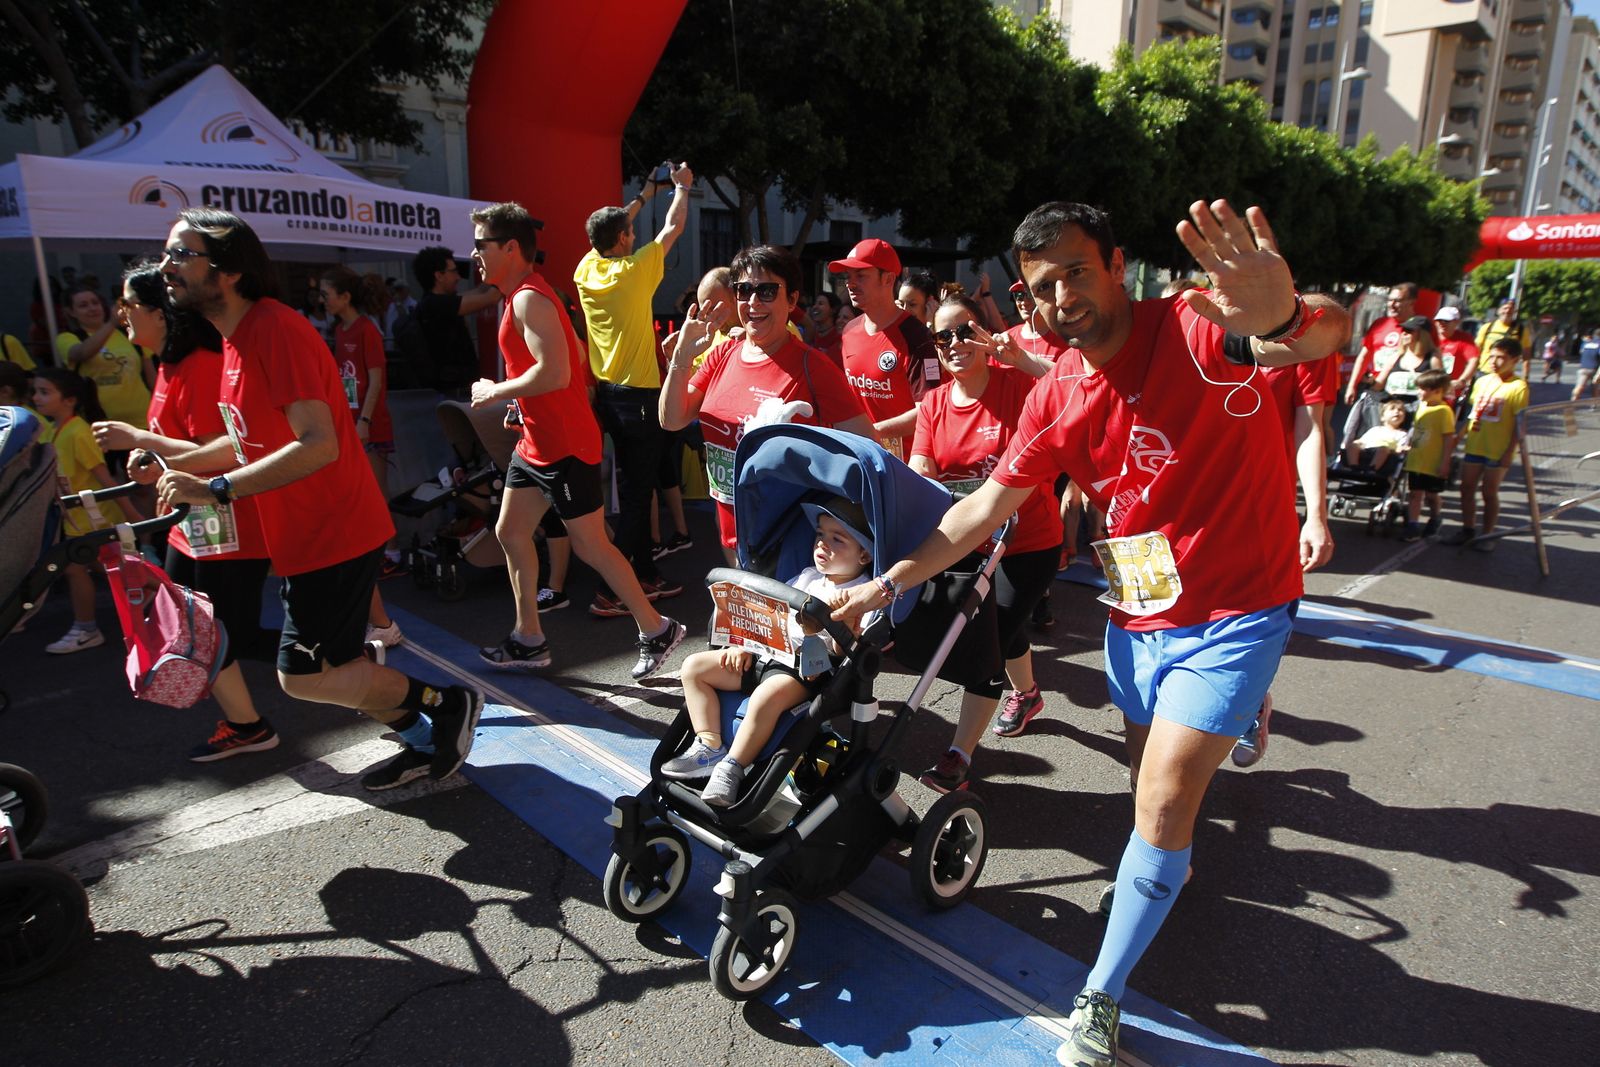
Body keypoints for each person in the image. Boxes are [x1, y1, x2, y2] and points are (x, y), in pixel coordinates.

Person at [833, 199, 1348, 1067]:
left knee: (1163, 796)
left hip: (1240, 609)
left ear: (1115, 264)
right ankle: (1232, 719)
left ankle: (1100, 995)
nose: (1062, 293)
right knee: (1143, 769)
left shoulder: (1193, 321)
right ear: (1029, 305)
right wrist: (888, 580)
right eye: (1043, 284)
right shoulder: (1057, 393)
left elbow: (1306, 335)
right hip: (1136, 611)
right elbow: (980, 511)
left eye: (1077, 269)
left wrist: (1290, 316)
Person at [145, 208, 483, 793]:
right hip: (302, 536)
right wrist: (174, 459)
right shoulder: (234, 340)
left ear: (227, 270)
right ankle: (426, 736)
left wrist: (217, 487)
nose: (165, 267)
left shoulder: (274, 330)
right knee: (328, 670)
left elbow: (319, 444)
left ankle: (446, 702)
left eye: (181, 254)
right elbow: (248, 436)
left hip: (335, 530)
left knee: (304, 676)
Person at [468, 201, 687, 679]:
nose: (474, 255)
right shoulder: (518, 297)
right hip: (535, 443)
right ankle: (529, 638)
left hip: (565, 445)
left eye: (481, 245)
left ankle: (657, 629)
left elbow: (557, 371)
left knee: (592, 547)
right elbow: (559, 364)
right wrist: (517, 406)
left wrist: (495, 390)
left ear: (509, 248)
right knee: (510, 532)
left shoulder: (529, 298)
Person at [94, 262, 278, 760]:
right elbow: (181, 446)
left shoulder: (198, 363)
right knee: (204, 630)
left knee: (219, 633)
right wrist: (152, 460)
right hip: (191, 526)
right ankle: (252, 722)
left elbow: (224, 449)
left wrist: (140, 440)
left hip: (225, 525)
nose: (120, 313)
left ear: (158, 312)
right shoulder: (170, 364)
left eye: (128, 303)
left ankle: (342, 663)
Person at [909, 296, 1063, 791]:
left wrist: (1019, 357)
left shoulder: (1018, 386)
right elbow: (922, 468)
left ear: (983, 332)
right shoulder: (933, 403)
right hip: (971, 545)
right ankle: (1030, 694)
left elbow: (1076, 383)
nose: (953, 344)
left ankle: (959, 756)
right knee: (1004, 627)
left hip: (1029, 542)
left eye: (963, 331)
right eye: (942, 337)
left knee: (986, 642)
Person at [660, 244, 873, 567]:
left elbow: (867, 449)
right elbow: (671, 419)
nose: (754, 302)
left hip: (789, 540)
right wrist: (681, 358)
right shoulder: (723, 355)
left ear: (791, 300)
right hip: (730, 535)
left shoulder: (812, 366)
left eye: (767, 291)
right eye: (744, 290)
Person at [667, 499, 874, 807]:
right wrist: (743, 642)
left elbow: (842, 653)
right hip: (764, 652)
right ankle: (709, 745)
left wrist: (844, 630)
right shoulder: (806, 577)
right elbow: (764, 613)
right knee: (694, 667)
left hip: (802, 671)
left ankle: (732, 767)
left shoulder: (861, 595)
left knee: (765, 697)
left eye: (837, 539)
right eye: (820, 534)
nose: (822, 544)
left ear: (864, 554)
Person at [573, 162, 695, 613]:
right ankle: (611, 590)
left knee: (635, 490)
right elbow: (674, 226)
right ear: (624, 239)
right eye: (628, 230)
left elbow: (612, 226)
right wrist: (681, 188)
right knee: (639, 494)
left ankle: (644, 574)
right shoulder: (635, 271)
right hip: (639, 400)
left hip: (609, 397)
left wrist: (643, 195)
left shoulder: (587, 269)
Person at [320, 267, 406, 640]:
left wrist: (366, 418)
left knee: (375, 490)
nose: (323, 299)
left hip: (369, 425)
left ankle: (393, 553)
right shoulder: (339, 331)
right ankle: (378, 553)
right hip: (349, 424)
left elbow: (375, 378)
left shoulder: (367, 330)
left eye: (327, 293)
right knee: (357, 493)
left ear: (345, 296)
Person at [32, 367, 135, 654]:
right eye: (36, 391)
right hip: (77, 522)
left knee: (81, 569)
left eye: (45, 392)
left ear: (70, 400)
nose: (37, 398)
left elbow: (106, 479)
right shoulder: (54, 430)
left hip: (94, 520)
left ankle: (87, 628)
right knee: (97, 569)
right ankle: (154, 598)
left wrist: (134, 516)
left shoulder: (78, 432)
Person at [832, 238, 939, 460]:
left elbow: (928, 411)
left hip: (908, 467)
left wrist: (872, 433)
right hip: (860, 458)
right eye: (848, 276)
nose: (850, 284)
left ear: (888, 279)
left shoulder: (917, 337)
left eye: (860, 276)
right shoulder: (849, 330)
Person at [1441, 338, 1529, 552]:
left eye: (1501, 358)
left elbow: (1520, 424)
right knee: (1466, 487)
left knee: (1489, 492)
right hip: (1475, 445)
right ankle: (1468, 529)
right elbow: (1473, 416)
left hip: (1497, 450)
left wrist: (1509, 452)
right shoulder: (1482, 382)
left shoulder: (1519, 387)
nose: (1494, 361)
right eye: (1492, 356)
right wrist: (1457, 439)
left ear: (1515, 360)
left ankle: (1488, 534)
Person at [56, 286, 155, 431]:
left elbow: (152, 377)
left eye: (95, 303)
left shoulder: (129, 334)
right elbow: (81, 353)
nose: (92, 308)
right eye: (83, 306)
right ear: (71, 312)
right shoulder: (68, 338)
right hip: (101, 425)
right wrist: (111, 323)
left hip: (142, 422)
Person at [412, 246, 502, 394]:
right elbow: (491, 297)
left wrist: (495, 267)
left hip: (455, 388)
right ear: (438, 276)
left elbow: (480, 291)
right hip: (454, 390)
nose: (458, 277)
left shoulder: (437, 302)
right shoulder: (436, 305)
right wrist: (509, 270)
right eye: (453, 271)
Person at [1400, 369, 1457, 543]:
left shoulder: (1444, 411)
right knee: (1415, 494)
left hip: (1433, 462)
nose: (1419, 392)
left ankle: (1436, 517)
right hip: (1416, 460)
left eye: (1423, 389)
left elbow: (1448, 438)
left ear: (1437, 390)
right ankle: (1413, 525)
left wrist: (1445, 462)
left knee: (1431, 495)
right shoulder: (1421, 407)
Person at [1343, 283, 1415, 405]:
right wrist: (1352, 385)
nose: (1391, 305)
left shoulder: (1419, 327)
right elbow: (1364, 356)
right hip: (1377, 389)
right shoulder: (1379, 324)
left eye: (1397, 301)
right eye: (1390, 300)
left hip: (1405, 393)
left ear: (1411, 302)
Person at [1371, 315, 1439, 399]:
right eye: (1403, 330)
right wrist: (1370, 381)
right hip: (1396, 409)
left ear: (1423, 335)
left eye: (1409, 330)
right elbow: (1379, 385)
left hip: (1420, 410)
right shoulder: (1395, 357)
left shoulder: (1433, 358)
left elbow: (1439, 389)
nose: (1404, 333)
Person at [1474, 299, 1532, 380]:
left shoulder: (1521, 330)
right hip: (1484, 373)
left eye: (1511, 309)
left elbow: (1526, 356)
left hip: (1505, 375)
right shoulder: (1487, 328)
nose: (1508, 311)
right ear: (1499, 311)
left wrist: (1525, 376)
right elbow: (1476, 352)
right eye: (1505, 308)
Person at [1344, 399, 1410, 470]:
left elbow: (1400, 448)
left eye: (1400, 410)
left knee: (1383, 449)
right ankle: (1354, 467)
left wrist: (1402, 449)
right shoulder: (1375, 429)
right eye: (1392, 409)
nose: (1396, 411)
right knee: (1353, 446)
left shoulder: (1402, 434)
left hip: (1387, 457)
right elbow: (1362, 441)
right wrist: (1354, 443)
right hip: (1366, 450)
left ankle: (1373, 469)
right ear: (1382, 417)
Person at [1430, 305, 1479, 399]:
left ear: (1456, 322)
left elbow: (1473, 361)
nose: (1441, 323)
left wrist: (1462, 381)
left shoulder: (1464, 339)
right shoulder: (1429, 337)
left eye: (1446, 321)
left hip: (1450, 392)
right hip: (1429, 388)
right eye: (1439, 320)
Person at [808, 290, 845, 366]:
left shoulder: (839, 337)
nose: (815, 307)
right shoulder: (811, 333)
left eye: (820, 304)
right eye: (815, 303)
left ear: (833, 310)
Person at [1572, 328, 1600, 402]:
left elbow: (1581, 352)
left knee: (1579, 386)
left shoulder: (1586, 343)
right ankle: (1593, 404)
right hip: (1595, 368)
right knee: (1595, 387)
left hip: (1583, 368)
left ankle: (1573, 401)